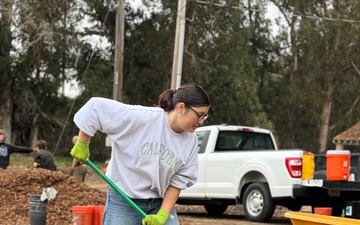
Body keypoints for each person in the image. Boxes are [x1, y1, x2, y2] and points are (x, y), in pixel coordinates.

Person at [70, 83, 210, 225]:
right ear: (181, 107)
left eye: (205, 116)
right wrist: (83, 142)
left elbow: (178, 181)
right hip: (124, 202)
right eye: (199, 115)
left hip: (159, 204)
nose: (201, 122)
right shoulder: (142, 118)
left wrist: (162, 215)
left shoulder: (190, 141)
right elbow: (95, 108)